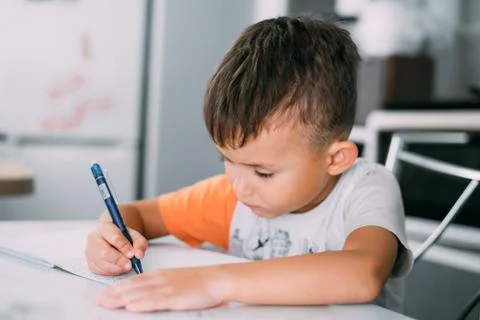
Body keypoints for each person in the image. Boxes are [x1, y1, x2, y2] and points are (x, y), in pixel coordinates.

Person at [85, 16, 413, 313]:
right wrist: (109, 235)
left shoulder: (366, 188)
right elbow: (139, 214)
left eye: (263, 172)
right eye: (227, 160)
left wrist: (213, 282)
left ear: (335, 160)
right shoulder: (232, 196)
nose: (239, 185)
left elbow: (362, 274)